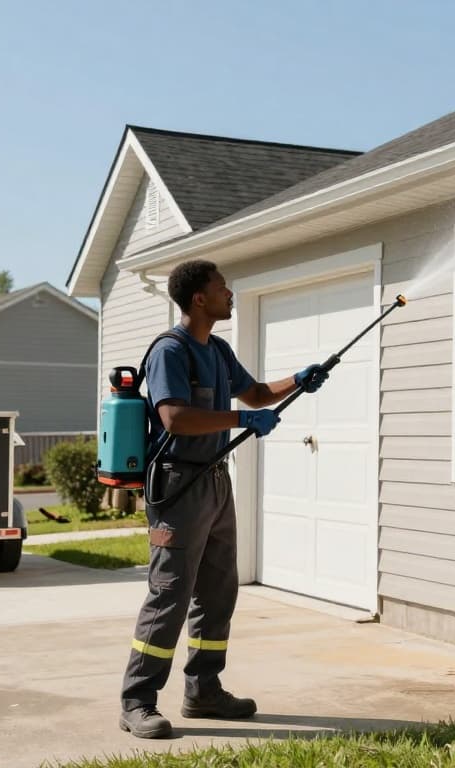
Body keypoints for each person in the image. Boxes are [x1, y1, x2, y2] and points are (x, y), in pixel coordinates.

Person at [119, 259, 329, 739]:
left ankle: (203, 690)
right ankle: (136, 701)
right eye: (222, 287)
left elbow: (254, 393)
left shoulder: (217, 349)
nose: (230, 294)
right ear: (199, 298)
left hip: (215, 481)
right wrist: (239, 422)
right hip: (177, 487)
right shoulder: (170, 351)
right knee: (169, 593)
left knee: (218, 590)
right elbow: (174, 418)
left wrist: (297, 380)